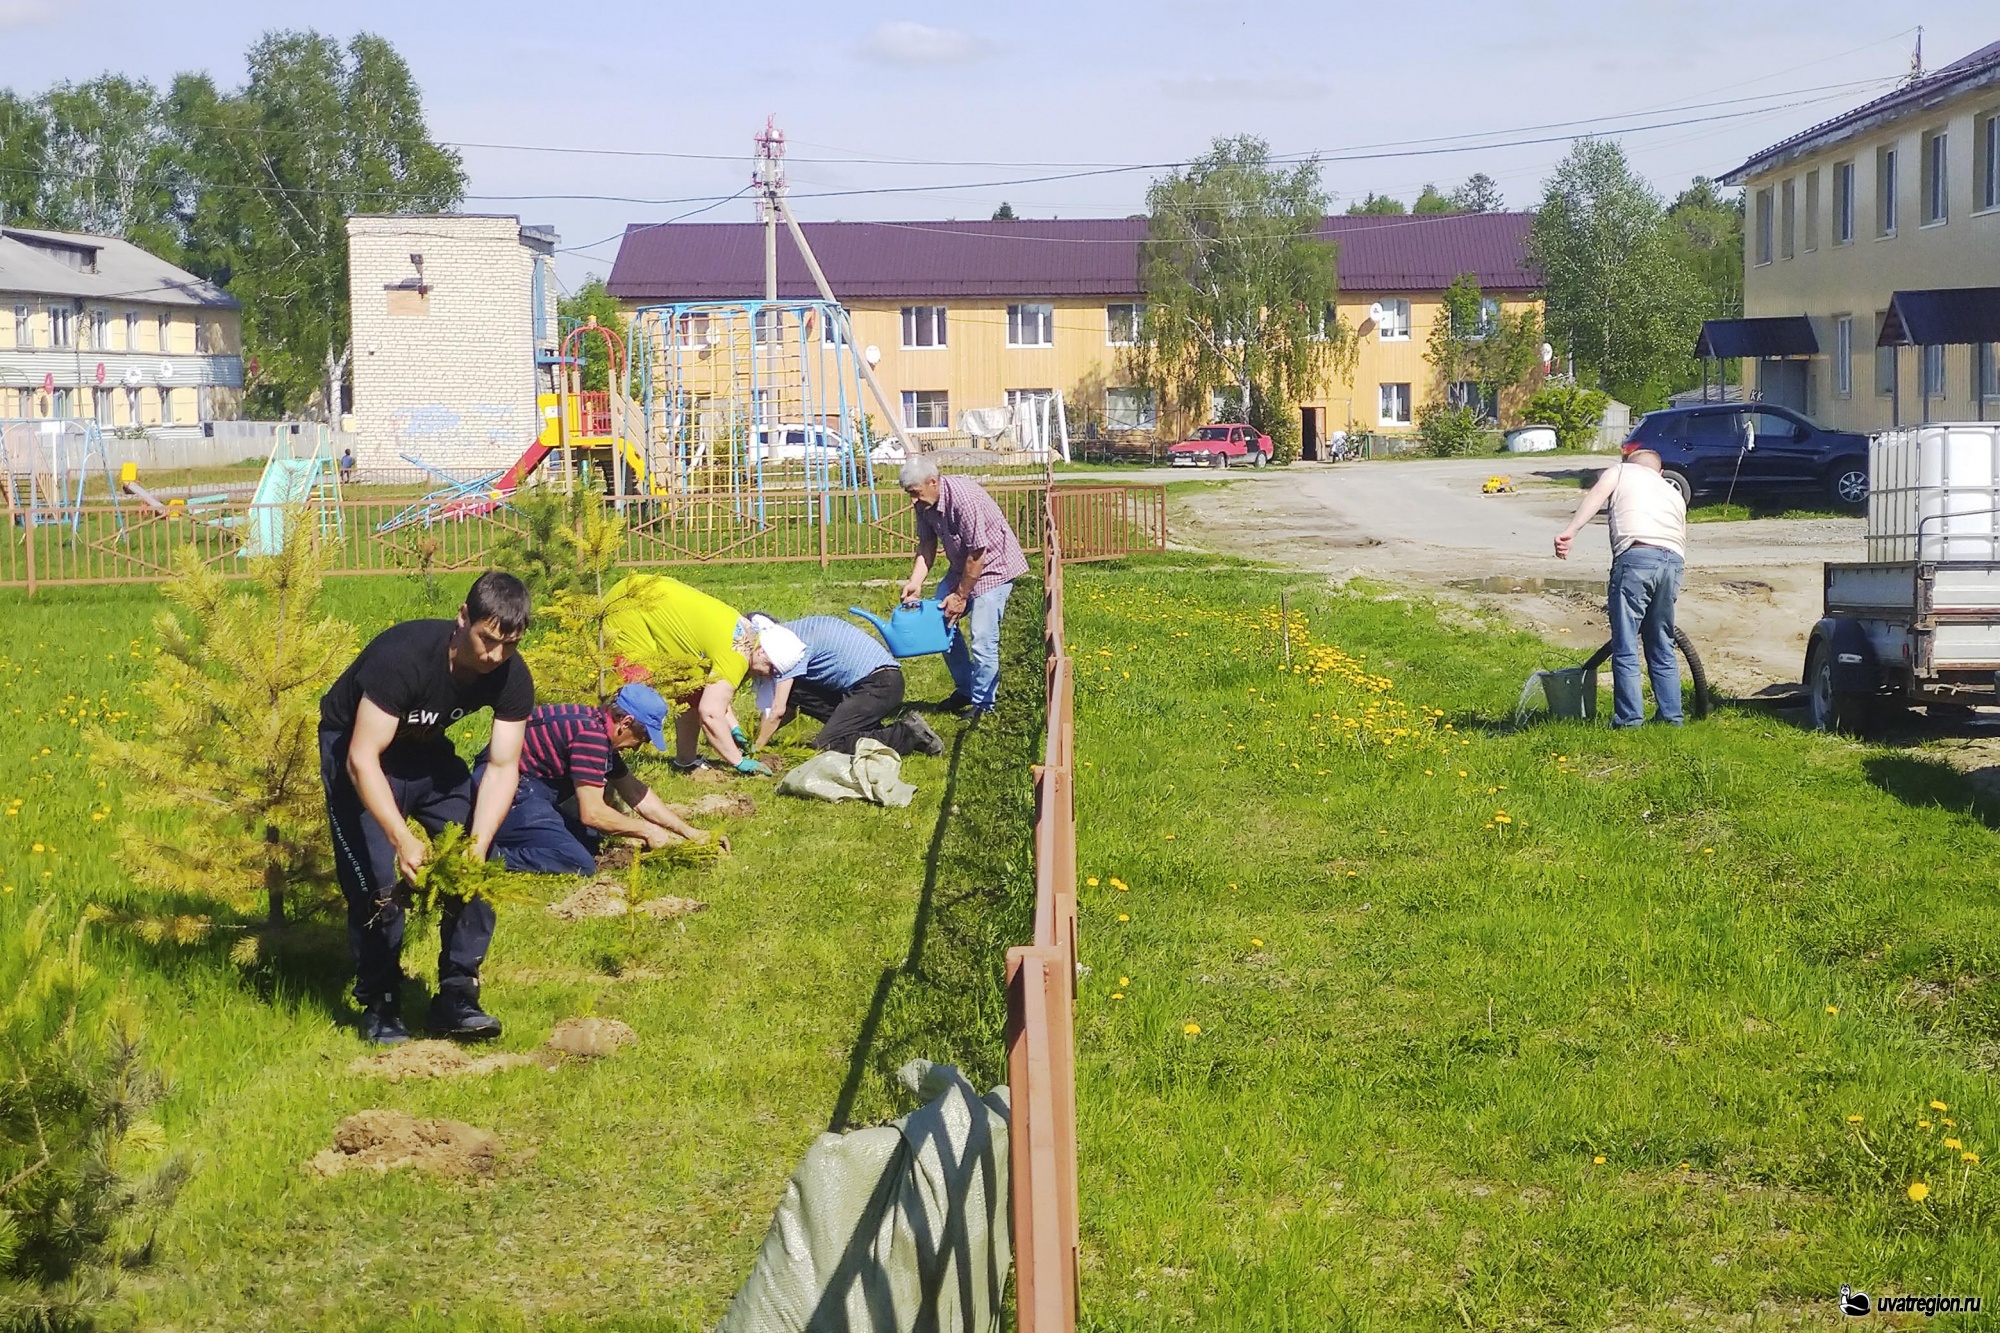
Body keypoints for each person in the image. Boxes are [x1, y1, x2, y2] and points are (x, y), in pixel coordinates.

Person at [319, 570, 534, 1045]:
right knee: (377, 883)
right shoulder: (403, 657)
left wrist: (476, 844)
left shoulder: (510, 675)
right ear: (463, 619)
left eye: (508, 645)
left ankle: (457, 996)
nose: (495, 656)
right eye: (486, 641)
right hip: (359, 752)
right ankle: (382, 1003)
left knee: (475, 870)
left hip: (424, 750)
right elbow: (361, 758)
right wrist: (401, 837)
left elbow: (502, 765)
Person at [480, 683, 721, 875]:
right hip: (504, 790)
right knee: (578, 861)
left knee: (592, 841)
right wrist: (647, 831)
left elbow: (636, 793)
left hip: (528, 787)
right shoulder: (590, 737)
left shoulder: (596, 727)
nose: (637, 748)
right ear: (625, 723)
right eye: (642, 737)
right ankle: (489, 856)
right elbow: (592, 813)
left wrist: (690, 832)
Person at [1554, 448, 1689, 728]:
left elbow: (1595, 496)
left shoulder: (1621, 471)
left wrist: (1571, 531)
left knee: (1626, 643)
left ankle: (1628, 720)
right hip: (1673, 561)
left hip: (1636, 556)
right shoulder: (1672, 492)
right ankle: (1671, 718)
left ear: (1629, 463)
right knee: (1661, 642)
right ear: (1660, 472)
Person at [601, 573, 770, 776]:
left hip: (653, 597)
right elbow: (709, 713)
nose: (768, 676)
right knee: (637, 689)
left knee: (691, 687)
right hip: (632, 603)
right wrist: (738, 761)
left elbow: (710, 695)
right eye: (773, 670)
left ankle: (685, 761)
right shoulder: (738, 655)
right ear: (762, 652)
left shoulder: (747, 636)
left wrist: (733, 727)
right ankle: (601, 755)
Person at [898, 456, 1028, 718]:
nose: (913, 500)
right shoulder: (925, 503)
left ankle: (984, 706)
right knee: (940, 626)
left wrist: (960, 596)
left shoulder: (964, 499)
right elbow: (927, 544)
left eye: (915, 493)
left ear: (933, 482)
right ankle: (966, 689)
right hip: (962, 568)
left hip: (994, 568)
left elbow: (978, 553)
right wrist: (915, 582)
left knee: (982, 639)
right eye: (909, 494)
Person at [745, 613, 945, 758]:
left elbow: (778, 710)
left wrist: (755, 749)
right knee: (796, 690)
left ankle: (909, 733)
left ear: (762, 649)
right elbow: (789, 704)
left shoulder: (787, 649)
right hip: (870, 684)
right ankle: (863, 728)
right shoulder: (795, 630)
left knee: (830, 743)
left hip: (880, 685)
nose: (763, 674)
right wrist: (760, 736)